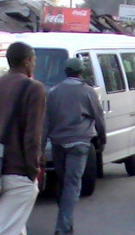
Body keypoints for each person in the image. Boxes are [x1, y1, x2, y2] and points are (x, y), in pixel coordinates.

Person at [43, 58, 106, 235]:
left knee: (64, 183)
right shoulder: (88, 92)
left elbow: (45, 123)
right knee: (71, 185)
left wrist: (40, 148)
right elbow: (99, 118)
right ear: (81, 72)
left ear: (66, 72)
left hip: (58, 144)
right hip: (80, 143)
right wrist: (102, 139)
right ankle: (62, 228)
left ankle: (66, 223)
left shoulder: (53, 93)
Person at [0, 42, 46, 235]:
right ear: (27, 61)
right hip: (17, 170)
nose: (34, 64)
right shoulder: (34, 88)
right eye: (34, 60)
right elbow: (32, 135)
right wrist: (33, 169)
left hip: (2, 166)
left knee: (17, 225)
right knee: (8, 227)